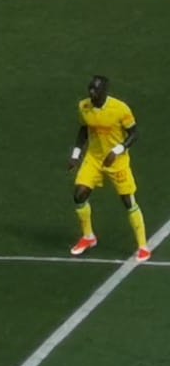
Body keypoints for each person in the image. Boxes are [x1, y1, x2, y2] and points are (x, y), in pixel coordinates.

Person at [68, 76, 149, 262]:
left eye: (95, 90)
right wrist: (75, 155)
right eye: (90, 89)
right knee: (79, 194)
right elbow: (83, 130)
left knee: (128, 201)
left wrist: (118, 150)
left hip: (116, 162)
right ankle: (88, 237)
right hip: (94, 158)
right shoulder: (84, 106)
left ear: (105, 91)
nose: (91, 93)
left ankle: (143, 246)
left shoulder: (120, 109)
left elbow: (134, 133)